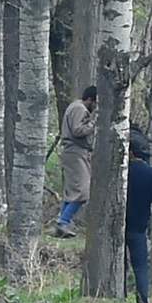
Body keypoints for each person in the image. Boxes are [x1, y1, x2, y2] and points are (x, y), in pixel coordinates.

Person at [125, 128, 152, 303]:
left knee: (120, 264)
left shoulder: (121, 172)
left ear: (130, 152)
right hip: (140, 224)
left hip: (119, 224)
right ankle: (143, 301)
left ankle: (119, 295)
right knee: (141, 265)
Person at [54, 86, 98, 237]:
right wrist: (93, 124)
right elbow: (78, 130)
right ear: (91, 100)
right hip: (75, 151)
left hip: (74, 152)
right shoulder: (79, 108)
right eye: (95, 103)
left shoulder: (75, 106)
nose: (95, 108)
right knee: (83, 191)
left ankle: (62, 222)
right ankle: (63, 221)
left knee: (73, 191)